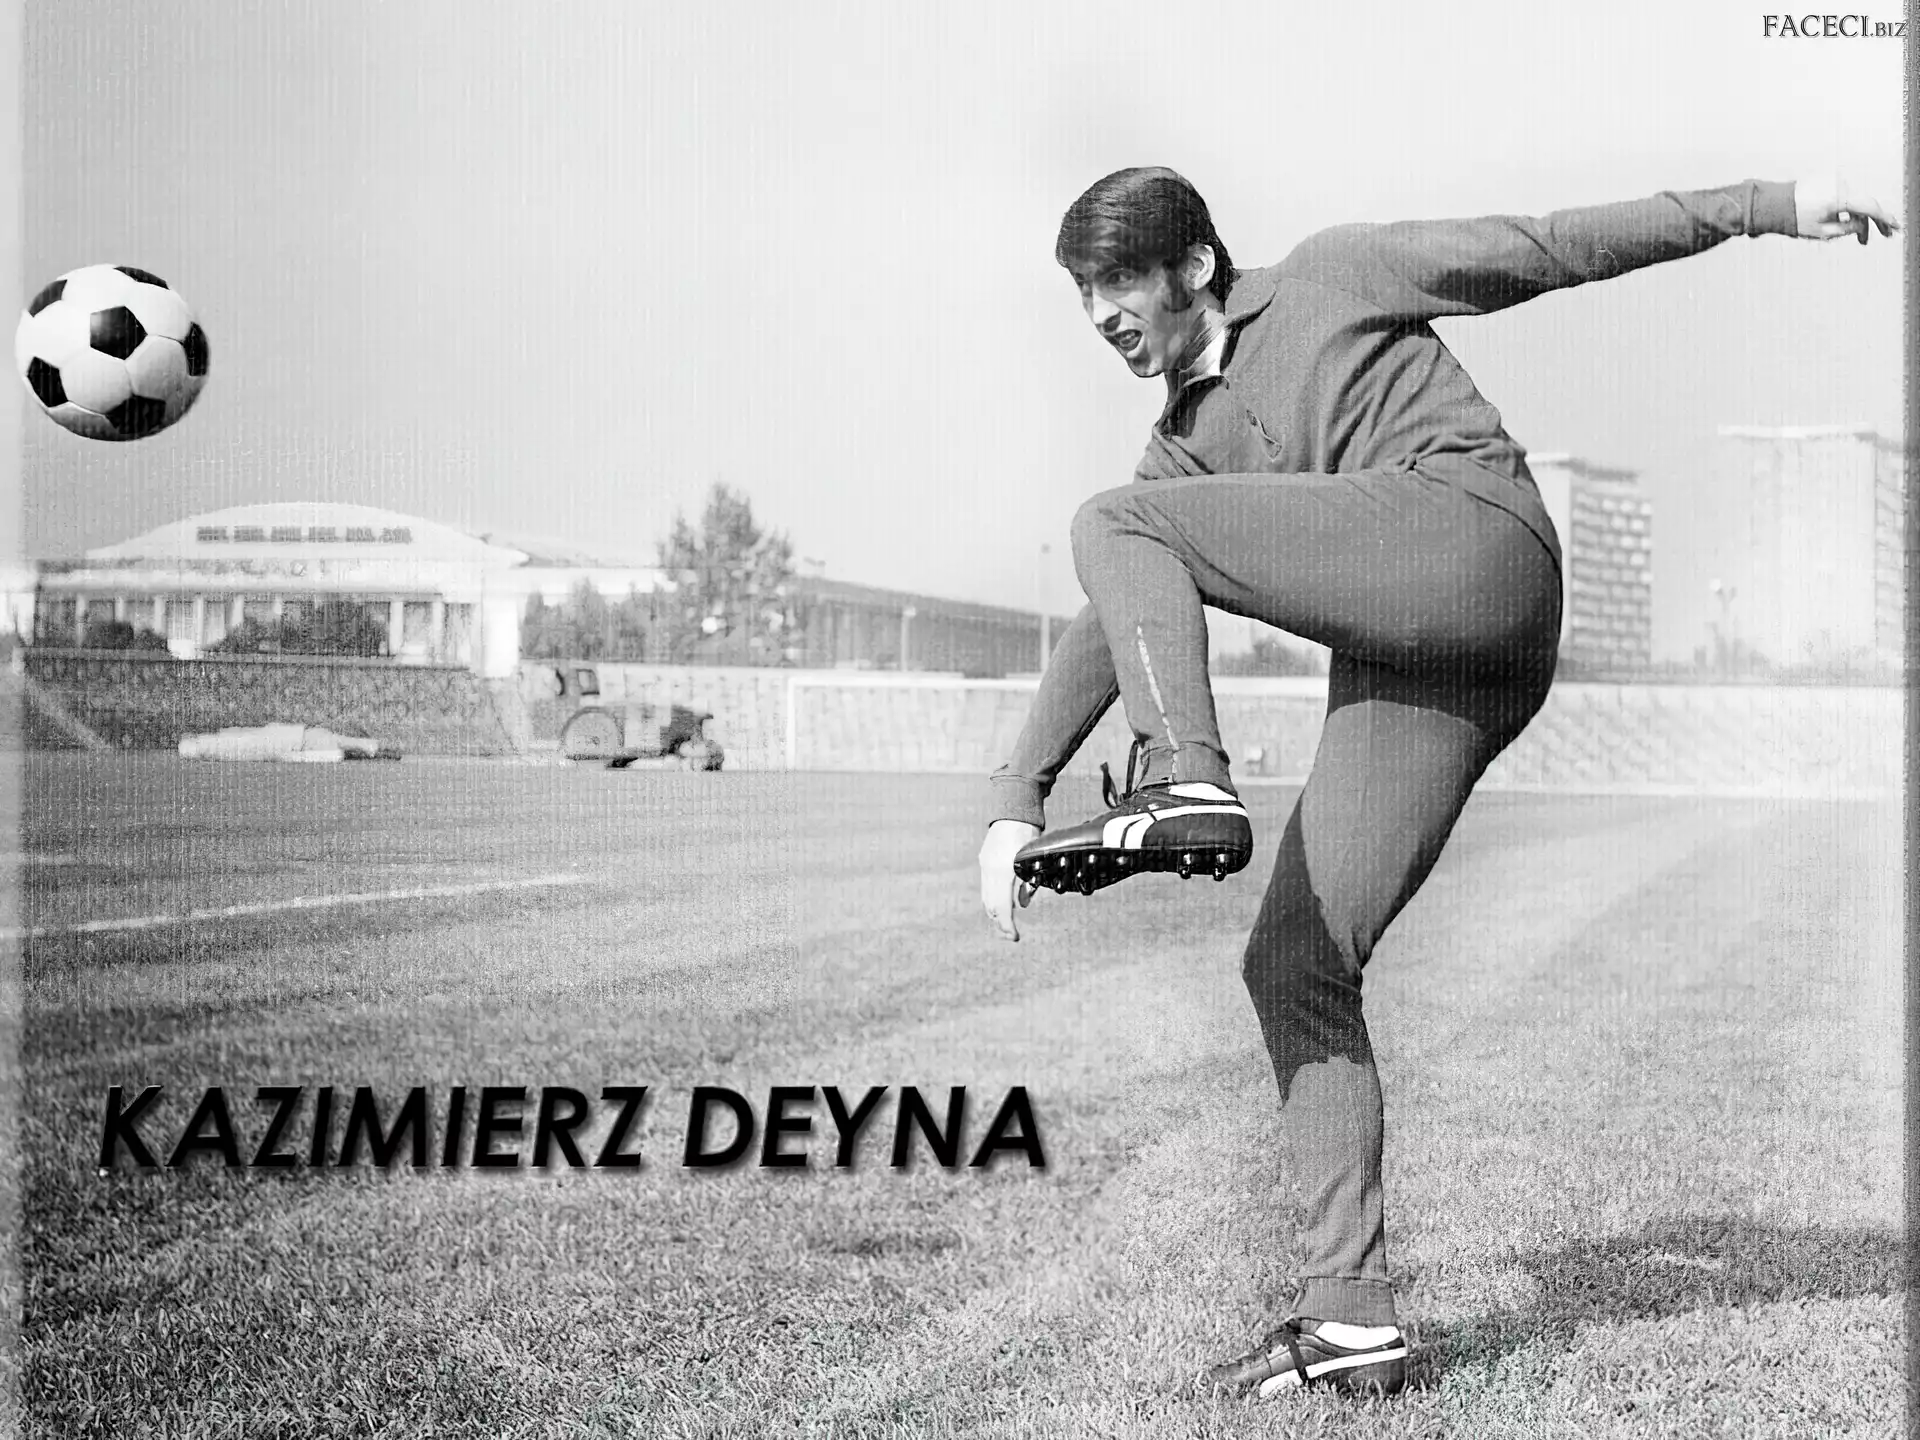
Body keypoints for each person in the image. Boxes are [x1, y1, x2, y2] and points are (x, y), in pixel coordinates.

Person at [976, 167, 1896, 1400]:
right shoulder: (1178, 453)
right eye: (1084, 294)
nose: (1101, 314)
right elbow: (1114, 614)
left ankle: (1186, 777)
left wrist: (1773, 203)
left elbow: (1549, 243)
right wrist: (1013, 803)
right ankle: (1350, 1318)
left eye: (1119, 281)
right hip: (1433, 667)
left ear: (1192, 265)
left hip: (1479, 547)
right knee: (1294, 963)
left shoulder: (1335, 275)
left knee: (1115, 521)